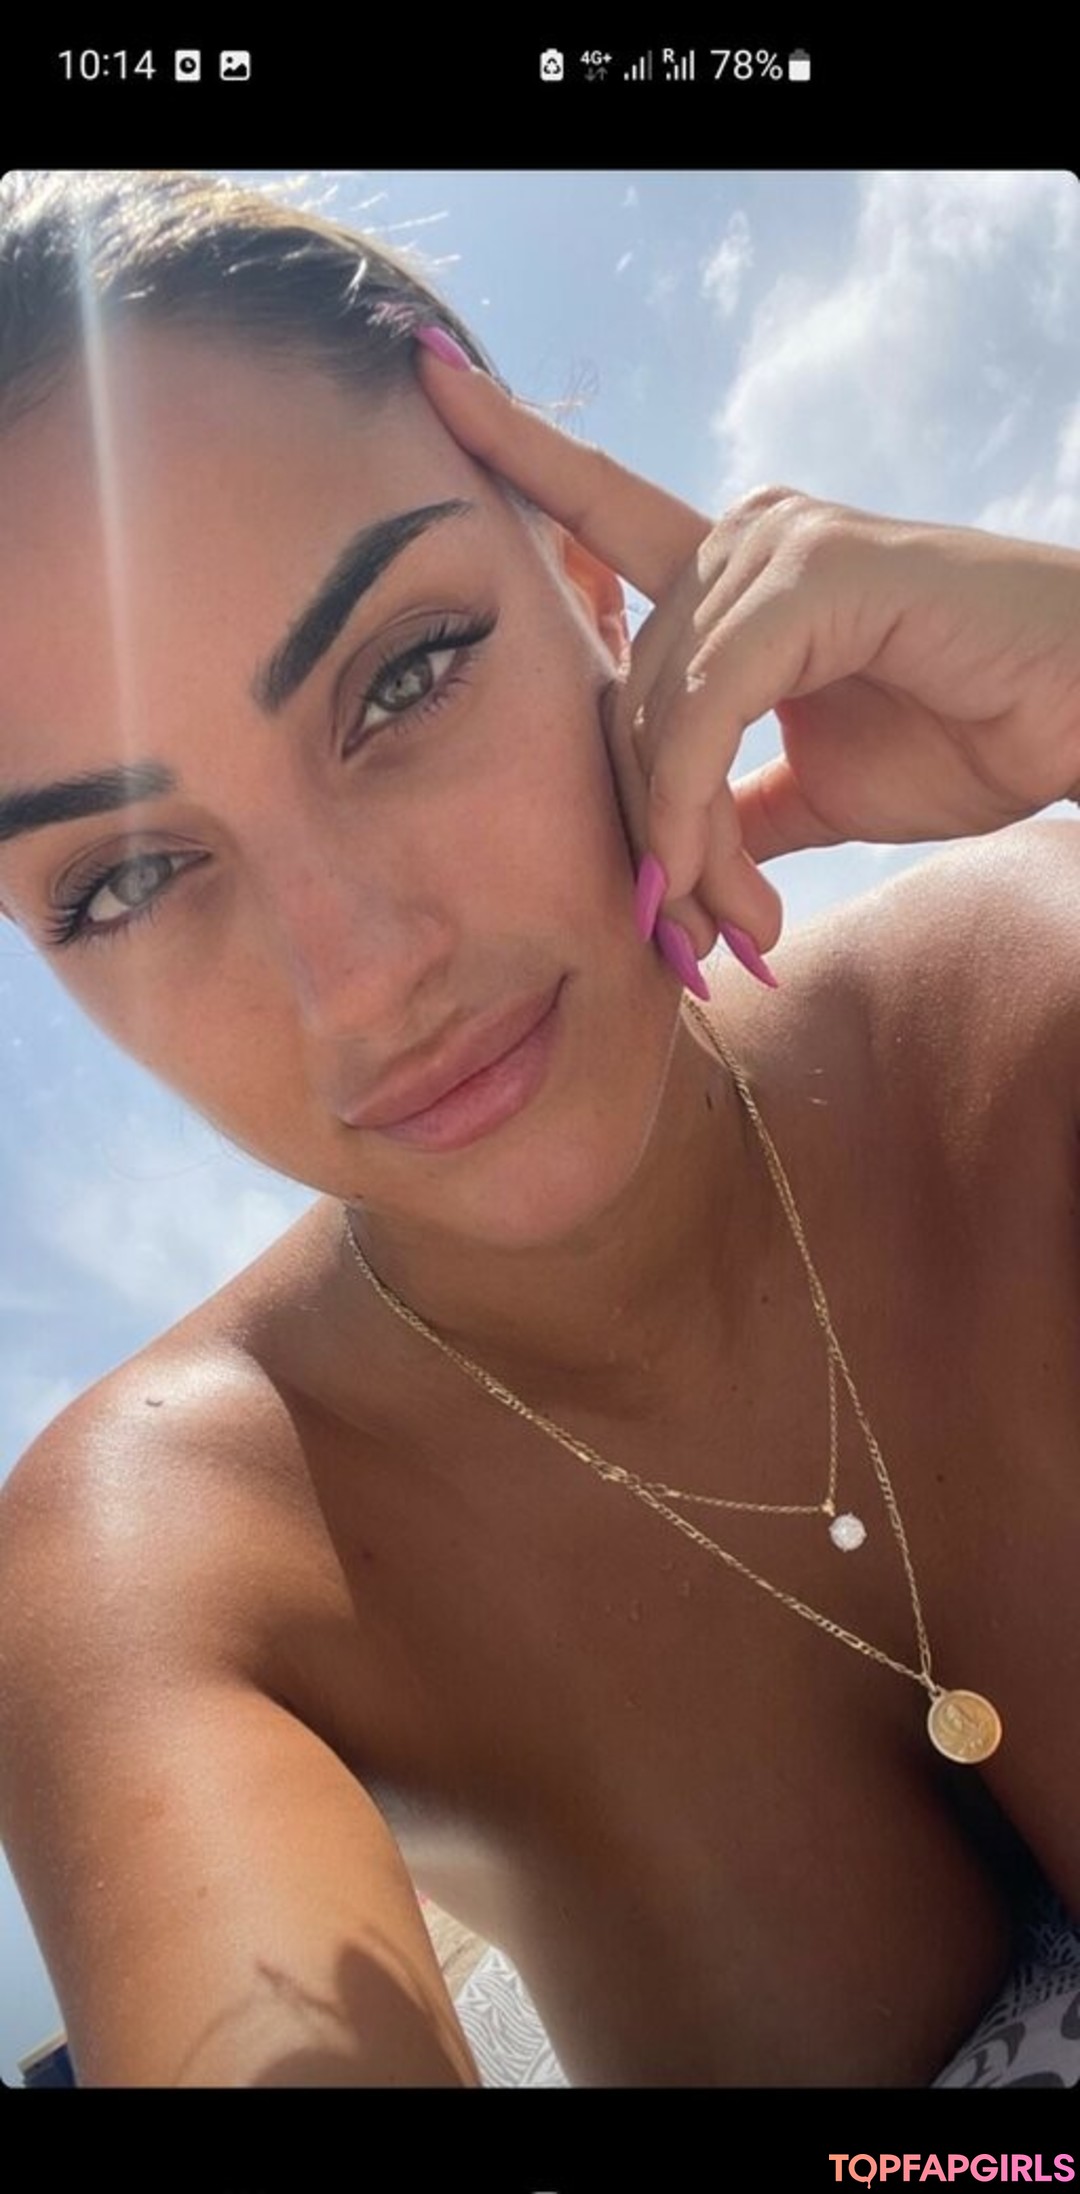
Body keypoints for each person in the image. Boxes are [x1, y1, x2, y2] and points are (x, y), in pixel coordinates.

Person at [0, 169, 1078, 2090]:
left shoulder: (1042, 1013)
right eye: (127, 877)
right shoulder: (183, 1559)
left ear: (594, 593)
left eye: (402, 676)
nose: (361, 975)